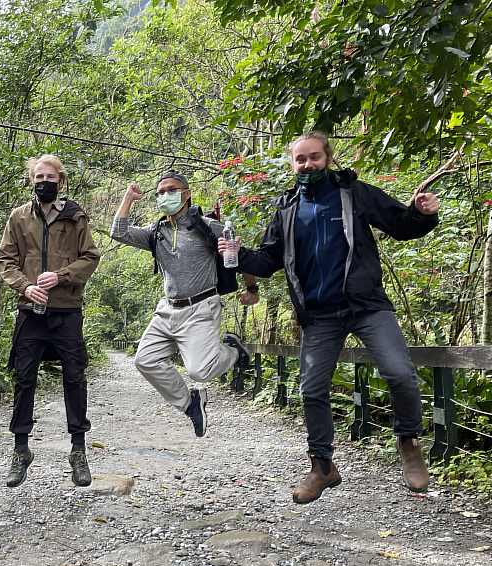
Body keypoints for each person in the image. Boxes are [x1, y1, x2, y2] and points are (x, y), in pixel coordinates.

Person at [227, 131, 439, 503]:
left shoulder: (353, 193)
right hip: (319, 315)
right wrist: (238, 253)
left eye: (315, 157)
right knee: (310, 389)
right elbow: (268, 261)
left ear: (327, 158)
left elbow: (400, 224)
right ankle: (322, 466)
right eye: (301, 160)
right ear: (292, 164)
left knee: (400, 373)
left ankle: (408, 442)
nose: (308, 165)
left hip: (366, 305)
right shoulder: (287, 207)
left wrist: (422, 214)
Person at [109, 170, 256, 438]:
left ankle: (232, 351)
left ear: (186, 194)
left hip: (201, 307)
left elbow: (240, 252)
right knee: (145, 360)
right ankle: (190, 403)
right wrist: (129, 198)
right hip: (167, 309)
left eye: (172, 190)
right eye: (160, 192)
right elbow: (117, 233)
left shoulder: (207, 226)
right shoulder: (156, 232)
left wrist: (252, 288)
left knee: (200, 371)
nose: (166, 196)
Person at [0, 154, 100, 488]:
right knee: (24, 379)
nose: (44, 181)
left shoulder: (75, 217)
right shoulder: (19, 217)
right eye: (39, 176)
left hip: (67, 311)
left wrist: (62, 277)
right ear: (31, 180)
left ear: (61, 181)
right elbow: (5, 259)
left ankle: (78, 451)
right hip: (30, 313)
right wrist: (25, 286)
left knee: (75, 378)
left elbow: (90, 257)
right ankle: (21, 449)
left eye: (51, 177)